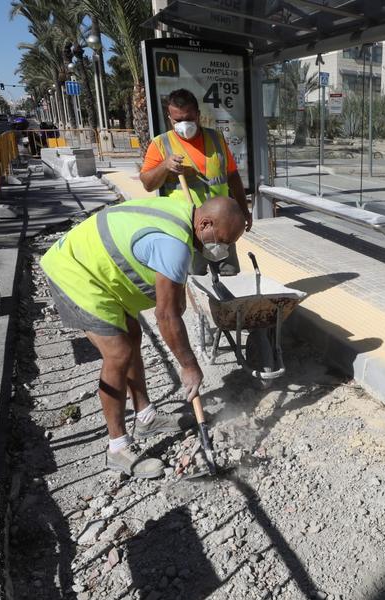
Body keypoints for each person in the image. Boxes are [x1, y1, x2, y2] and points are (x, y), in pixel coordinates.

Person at [39, 195, 247, 478]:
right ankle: (117, 448)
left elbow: (170, 300)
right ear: (205, 223)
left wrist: (174, 300)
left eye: (228, 244)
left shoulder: (183, 209)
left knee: (132, 335)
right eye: (221, 240)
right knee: (118, 353)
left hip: (98, 268)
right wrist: (189, 366)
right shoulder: (174, 245)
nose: (221, 249)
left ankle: (146, 418)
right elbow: (166, 317)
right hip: (76, 271)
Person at [140, 88, 252, 276]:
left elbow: (232, 175)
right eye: (178, 120)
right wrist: (164, 166)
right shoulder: (161, 144)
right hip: (188, 230)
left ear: (198, 115)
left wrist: (244, 210)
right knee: (193, 277)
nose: (184, 124)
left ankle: (227, 306)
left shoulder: (216, 139)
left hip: (222, 225)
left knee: (229, 274)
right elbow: (147, 183)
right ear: (170, 118)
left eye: (189, 118)